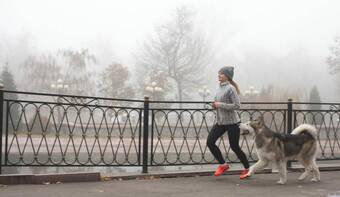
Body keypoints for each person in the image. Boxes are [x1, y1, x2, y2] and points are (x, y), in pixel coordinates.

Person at [206, 66, 250, 179]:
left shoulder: (231, 88)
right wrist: (214, 106)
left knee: (234, 147)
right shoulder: (219, 88)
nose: (219, 75)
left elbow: (237, 106)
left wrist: (219, 105)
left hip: (232, 122)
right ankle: (223, 165)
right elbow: (219, 103)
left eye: (221, 74)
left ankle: (247, 168)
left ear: (227, 76)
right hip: (220, 122)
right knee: (210, 142)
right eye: (219, 73)